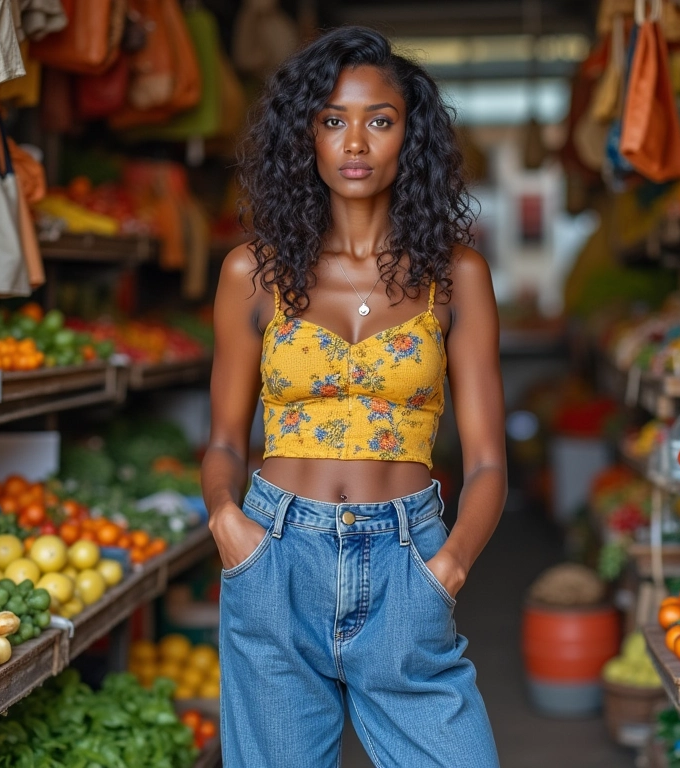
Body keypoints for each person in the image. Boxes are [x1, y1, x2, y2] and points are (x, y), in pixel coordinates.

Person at [201, 25, 506, 768]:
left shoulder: (455, 275)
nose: (356, 142)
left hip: (408, 559)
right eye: (333, 120)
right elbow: (223, 441)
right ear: (306, 136)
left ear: (411, 135)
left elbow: (490, 461)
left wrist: (451, 566)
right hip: (273, 558)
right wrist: (226, 523)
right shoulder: (253, 272)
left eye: (380, 120)